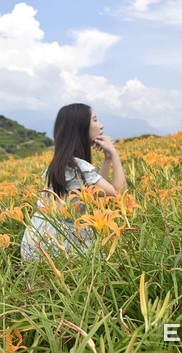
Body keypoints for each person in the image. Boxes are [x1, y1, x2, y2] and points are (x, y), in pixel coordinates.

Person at [20, 103, 127, 260]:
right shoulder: (77, 166)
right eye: (95, 120)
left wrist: (107, 158)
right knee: (110, 255)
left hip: (36, 241)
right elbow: (120, 193)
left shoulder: (61, 164)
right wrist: (114, 153)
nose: (101, 125)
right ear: (82, 128)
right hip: (59, 246)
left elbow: (95, 193)